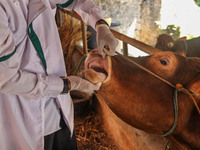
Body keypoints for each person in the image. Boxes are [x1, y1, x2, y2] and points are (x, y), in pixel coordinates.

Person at [0, 0, 118, 150]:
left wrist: (100, 24)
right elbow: (7, 79)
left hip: (61, 109)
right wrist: (68, 84)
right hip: (25, 116)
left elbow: (76, 1)